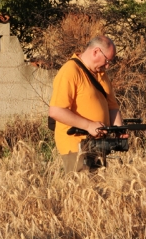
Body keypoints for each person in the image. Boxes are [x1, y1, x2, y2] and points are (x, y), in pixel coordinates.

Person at [49, 35, 127, 173]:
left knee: (98, 191)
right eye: (107, 60)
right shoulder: (70, 71)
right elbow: (56, 111)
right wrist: (89, 125)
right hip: (76, 147)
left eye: (110, 62)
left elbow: (112, 107)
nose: (108, 66)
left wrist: (118, 130)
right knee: (82, 191)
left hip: (98, 145)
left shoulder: (101, 74)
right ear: (96, 51)